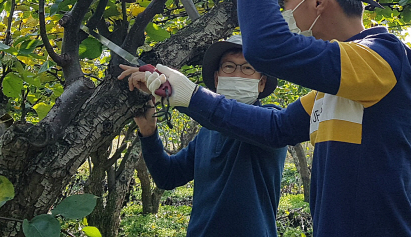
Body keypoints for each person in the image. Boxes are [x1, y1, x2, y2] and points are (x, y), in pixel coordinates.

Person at [122, 0, 411, 237]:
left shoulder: (383, 57)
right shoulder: (338, 87)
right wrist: (187, 94)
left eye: (285, 2)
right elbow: (275, 128)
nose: (283, 13)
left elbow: (267, 47)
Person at [120, 35, 287, 237]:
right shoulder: (207, 131)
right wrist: (149, 132)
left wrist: (183, 95)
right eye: (229, 67)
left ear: (262, 83)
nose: (237, 74)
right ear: (217, 79)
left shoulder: (273, 120)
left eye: (248, 68)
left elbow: (229, 118)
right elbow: (168, 176)